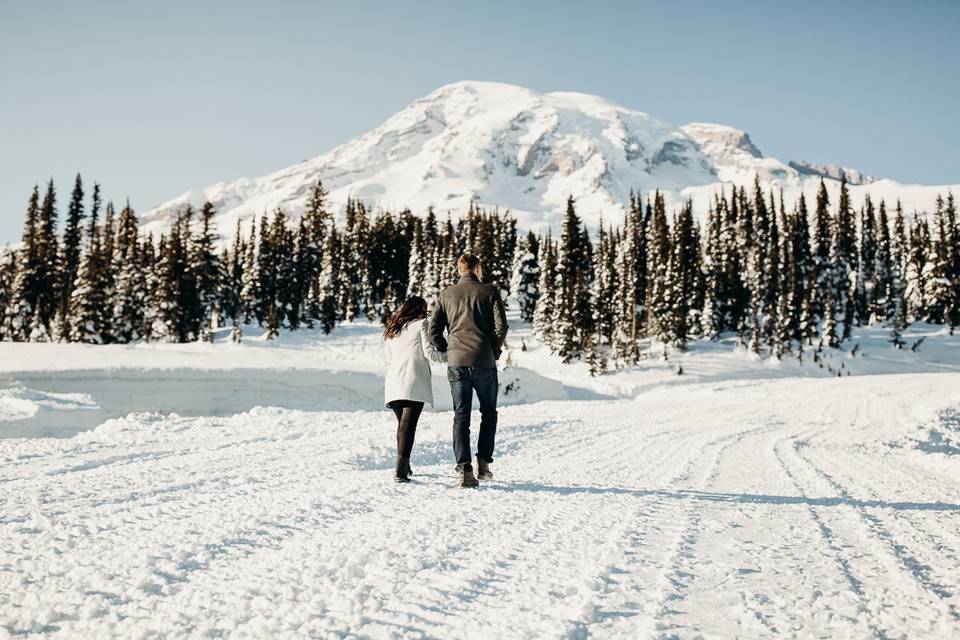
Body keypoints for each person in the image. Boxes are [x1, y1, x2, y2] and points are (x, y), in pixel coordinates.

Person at [428, 253, 508, 488]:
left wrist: (448, 348)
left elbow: (433, 331)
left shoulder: (446, 294)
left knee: (461, 415)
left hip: (457, 363)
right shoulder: (489, 291)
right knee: (488, 413)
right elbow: (501, 326)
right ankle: (483, 464)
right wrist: (493, 349)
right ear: (478, 269)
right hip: (484, 362)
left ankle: (464, 471)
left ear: (459, 269)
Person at [383, 296, 447, 483]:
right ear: (420, 309)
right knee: (408, 427)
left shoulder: (392, 329)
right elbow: (430, 353)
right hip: (413, 381)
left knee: (402, 426)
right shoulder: (421, 324)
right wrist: (451, 355)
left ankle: (405, 466)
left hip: (393, 383)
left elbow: (388, 360)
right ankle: (400, 472)